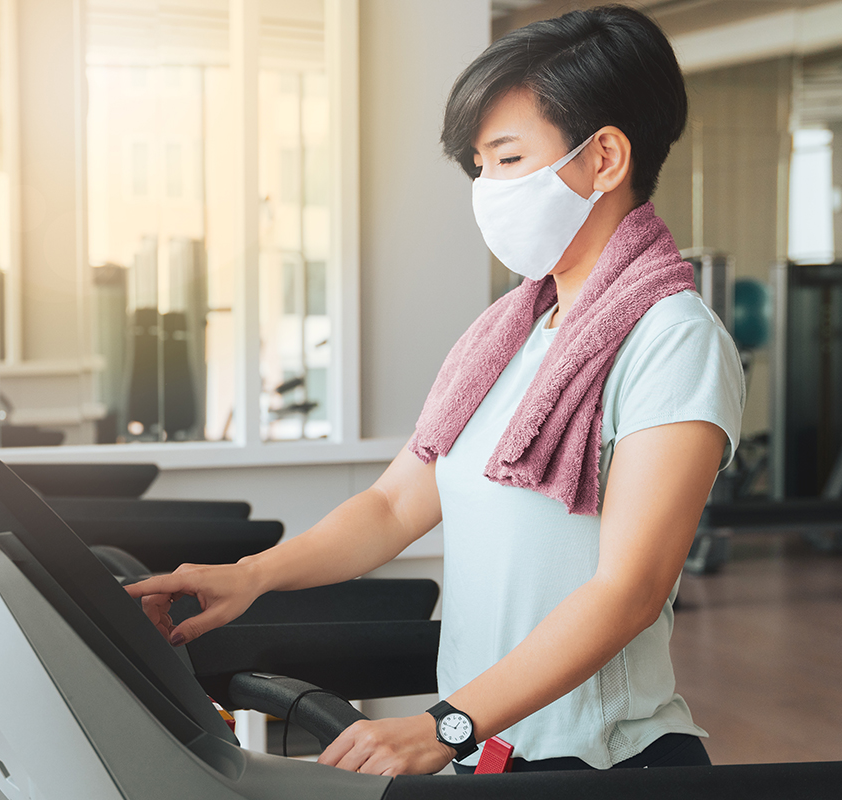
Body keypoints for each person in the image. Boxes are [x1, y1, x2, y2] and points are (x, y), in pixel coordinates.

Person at [128, 4, 744, 777]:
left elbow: (630, 589)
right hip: (488, 753)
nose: (487, 188)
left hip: (602, 764)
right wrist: (250, 577)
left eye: (508, 159)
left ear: (605, 158)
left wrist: (443, 726)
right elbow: (392, 506)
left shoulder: (673, 341)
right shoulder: (510, 335)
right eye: (479, 166)